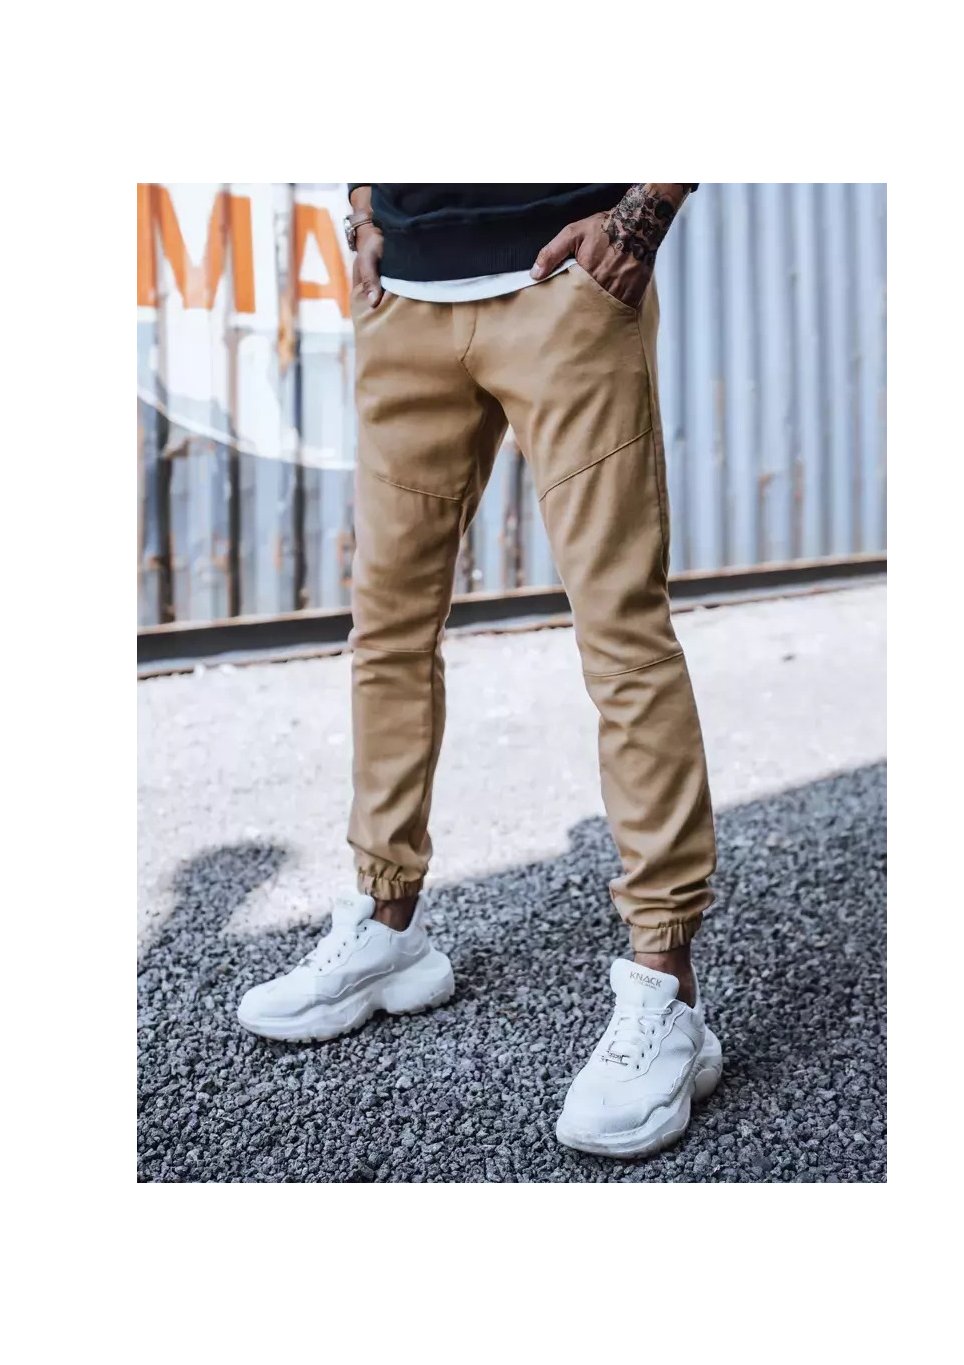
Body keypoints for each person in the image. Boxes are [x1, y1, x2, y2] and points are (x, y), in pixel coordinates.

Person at [237, 183, 722, 1159]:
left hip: (564, 281)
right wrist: (364, 213)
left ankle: (667, 992)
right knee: (387, 629)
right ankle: (387, 926)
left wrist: (647, 210)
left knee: (620, 631)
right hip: (408, 299)